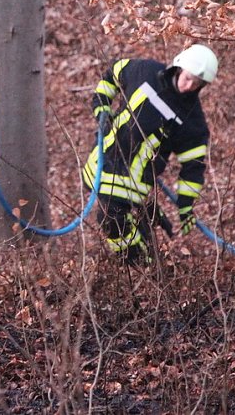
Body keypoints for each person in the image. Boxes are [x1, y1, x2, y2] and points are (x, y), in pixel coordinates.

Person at [81, 44, 218, 265]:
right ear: (179, 67)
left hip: (132, 182)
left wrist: (186, 205)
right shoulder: (144, 71)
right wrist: (101, 108)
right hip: (100, 163)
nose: (189, 86)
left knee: (111, 220)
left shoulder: (192, 121)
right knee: (112, 218)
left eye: (197, 84)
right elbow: (112, 74)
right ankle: (147, 220)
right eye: (188, 78)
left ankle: (141, 264)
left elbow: (193, 167)